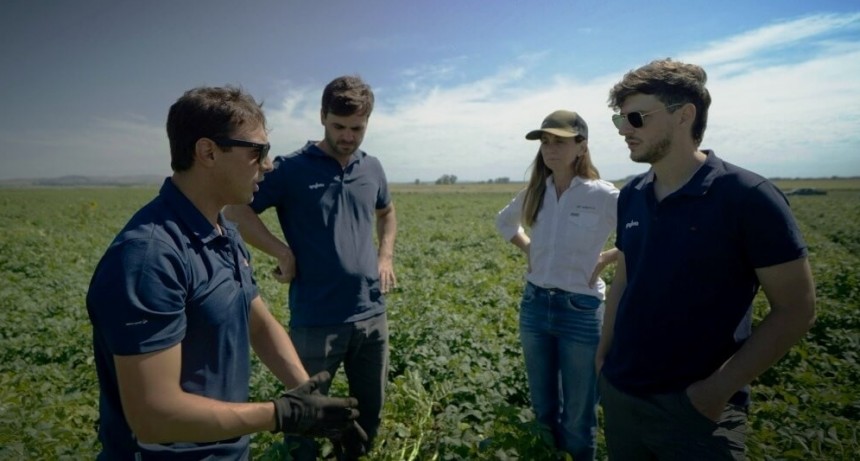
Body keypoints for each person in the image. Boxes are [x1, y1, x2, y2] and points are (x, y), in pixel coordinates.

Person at [85, 86, 363, 460]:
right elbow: (154, 416)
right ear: (208, 152)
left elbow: (257, 322)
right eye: (257, 151)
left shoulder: (223, 231)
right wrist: (282, 414)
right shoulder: (149, 258)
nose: (268, 164)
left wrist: (309, 396)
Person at [596, 58, 817, 460]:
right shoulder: (632, 194)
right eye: (619, 120)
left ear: (684, 115)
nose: (624, 130)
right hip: (622, 394)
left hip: (698, 411)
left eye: (635, 118)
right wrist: (603, 356)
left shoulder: (747, 196)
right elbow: (626, 277)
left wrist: (714, 392)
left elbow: (796, 308)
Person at [223, 75, 396, 460]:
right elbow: (237, 210)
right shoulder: (291, 169)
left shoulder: (372, 168)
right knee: (305, 412)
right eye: (339, 126)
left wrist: (385, 256)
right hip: (317, 318)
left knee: (370, 408)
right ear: (322, 117)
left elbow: (387, 212)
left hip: (371, 314)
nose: (347, 136)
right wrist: (281, 252)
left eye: (357, 128)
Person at [495, 110, 619, 460]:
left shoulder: (602, 194)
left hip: (581, 312)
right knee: (543, 408)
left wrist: (609, 257)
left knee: (579, 417)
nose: (550, 149)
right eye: (546, 142)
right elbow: (505, 223)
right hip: (535, 307)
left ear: (582, 146)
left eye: (560, 142)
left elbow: (646, 231)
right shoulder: (537, 191)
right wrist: (530, 248)